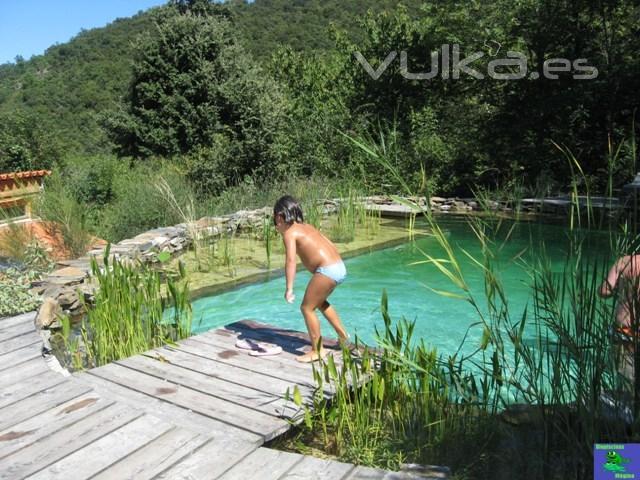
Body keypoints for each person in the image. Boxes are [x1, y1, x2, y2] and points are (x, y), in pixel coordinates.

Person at [273, 195, 349, 362]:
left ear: (279, 216)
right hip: (339, 266)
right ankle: (343, 336)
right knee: (319, 302)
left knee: (307, 308)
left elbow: (291, 260)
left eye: (275, 218)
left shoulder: (290, 233)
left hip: (327, 269)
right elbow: (328, 243)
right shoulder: (307, 226)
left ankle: (318, 350)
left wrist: (289, 288)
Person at [599, 254, 640, 379]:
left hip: (624, 332)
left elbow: (604, 291)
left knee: (625, 385)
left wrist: (620, 289)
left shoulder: (625, 261)